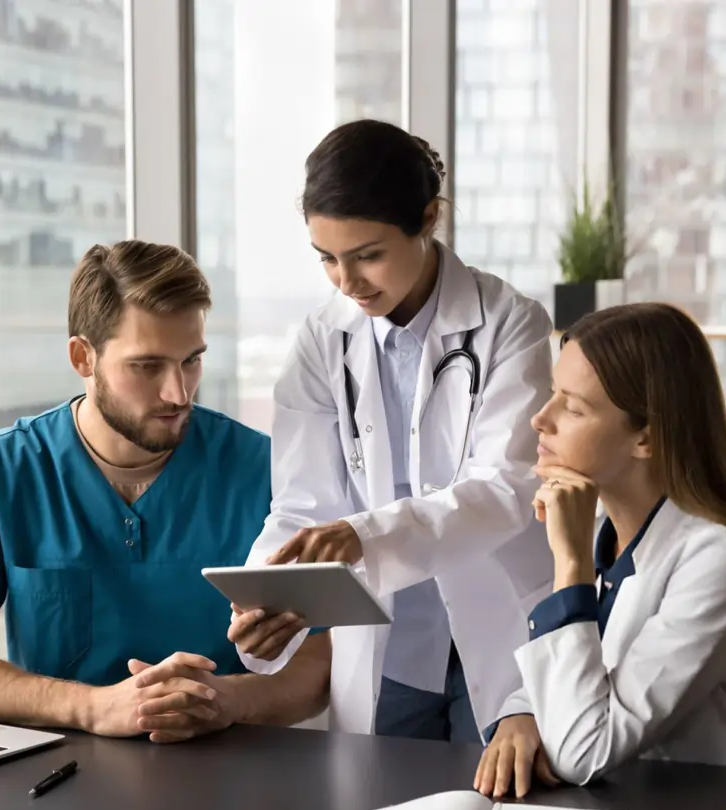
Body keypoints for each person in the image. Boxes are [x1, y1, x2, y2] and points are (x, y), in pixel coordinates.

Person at [0, 240, 330, 744]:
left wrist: (227, 701)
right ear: (84, 357)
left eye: (191, 361)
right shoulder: (0, 471)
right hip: (60, 778)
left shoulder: (266, 471)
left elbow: (318, 665)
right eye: (147, 367)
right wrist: (93, 707)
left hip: (236, 771)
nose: (179, 392)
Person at [228, 119, 556, 746]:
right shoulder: (322, 340)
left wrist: (364, 535)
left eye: (368, 255)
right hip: (389, 637)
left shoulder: (511, 323)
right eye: (327, 259)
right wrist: (268, 595)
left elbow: (509, 486)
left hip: (497, 627)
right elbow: (303, 502)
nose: (347, 282)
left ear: (428, 218)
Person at [475, 302, 726, 798]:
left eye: (572, 407)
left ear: (646, 437)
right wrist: (520, 711)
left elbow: (583, 749)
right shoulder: (607, 531)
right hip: (645, 805)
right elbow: (587, 673)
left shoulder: (718, 562)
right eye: (552, 395)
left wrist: (570, 566)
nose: (539, 420)